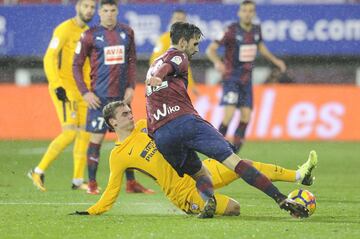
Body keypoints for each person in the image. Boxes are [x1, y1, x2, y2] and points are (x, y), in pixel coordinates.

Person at [145, 22, 308, 218]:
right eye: (195, 44)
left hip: (162, 135)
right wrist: (160, 77)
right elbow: (168, 67)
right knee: (235, 163)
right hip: (184, 122)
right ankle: (280, 198)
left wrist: (156, 133)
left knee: (201, 174)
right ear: (182, 42)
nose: (196, 49)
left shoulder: (153, 64)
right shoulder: (178, 56)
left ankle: (209, 202)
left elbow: (157, 82)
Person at [71, 101, 317, 216]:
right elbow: (112, 190)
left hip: (199, 169)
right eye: (124, 114)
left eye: (129, 111)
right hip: (183, 192)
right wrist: (93, 211)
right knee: (234, 209)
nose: (130, 115)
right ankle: (204, 205)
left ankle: (299, 175)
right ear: (113, 122)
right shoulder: (118, 155)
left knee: (244, 165)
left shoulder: (147, 125)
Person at [73, 0, 153, 195]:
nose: (109, 14)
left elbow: (132, 61)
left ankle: (131, 183)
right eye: (105, 10)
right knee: (96, 139)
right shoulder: (89, 35)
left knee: (129, 140)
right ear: (100, 13)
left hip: (121, 98)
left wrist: (131, 87)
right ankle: (92, 184)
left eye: (112, 10)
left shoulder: (127, 32)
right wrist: (85, 92)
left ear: (117, 12)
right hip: (99, 98)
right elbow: (76, 65)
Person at [28, 0, 96, 192]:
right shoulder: (64, 29)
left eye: (92, 7)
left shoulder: (89, 33)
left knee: (85, 133)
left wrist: (90, 88)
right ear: (77, 7)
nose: (89, 10)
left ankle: (77, 180)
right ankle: (37, 171)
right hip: (65, 88)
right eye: (86, 6)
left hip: (82, 90)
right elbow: (49, 56)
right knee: (70, 132)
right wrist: (56, 84)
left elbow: (87, 65)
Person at [206, 0, 286, 153]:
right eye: (245, 10)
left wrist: (276, 61)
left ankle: (233, 153)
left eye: (250, 11)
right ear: (239, 13)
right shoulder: (230, 30)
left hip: (246, 80)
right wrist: (217, 62)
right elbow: (211, 49)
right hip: (231, 78)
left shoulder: (256, 30)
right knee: (228, 116)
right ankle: (215, 150)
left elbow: (261, 48)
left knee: (246, 117)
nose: (247, 13)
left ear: (254, 13)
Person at [149, 9, 199, 96]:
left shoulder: (187, 43)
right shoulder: (164, 39)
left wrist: (192, 85)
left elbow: (186, 67)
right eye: (176, 19)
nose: (179, 22)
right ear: (171, 21)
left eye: (182, 19)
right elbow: (154, 61)